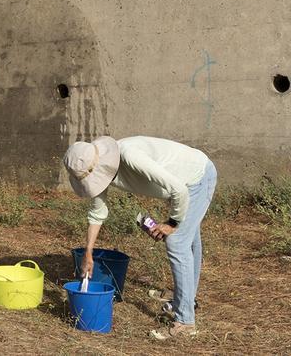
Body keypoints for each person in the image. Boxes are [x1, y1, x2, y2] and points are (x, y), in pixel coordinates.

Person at [64, 136, 217, 341]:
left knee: (177, 241)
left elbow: (179, 189)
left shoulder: (130, 155)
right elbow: (97, 214)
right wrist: (88, 254)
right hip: (183, 185)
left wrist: (172, 223)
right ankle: (188, 299)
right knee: (188, 239)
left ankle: (186, 322)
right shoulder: (100, 167)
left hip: (198, 178)